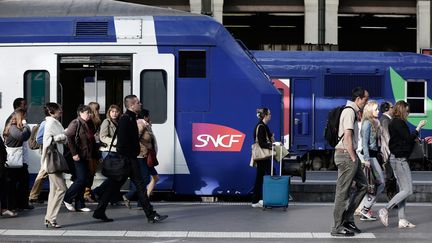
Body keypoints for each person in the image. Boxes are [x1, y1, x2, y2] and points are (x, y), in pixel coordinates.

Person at [93, 95, 167, 223]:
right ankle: (151, 215)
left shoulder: (132, 118)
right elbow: (121, 144)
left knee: (117, 186)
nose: (140, 104)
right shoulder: (126, 119)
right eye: (138, 103)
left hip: (129, 159)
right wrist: (131, 156)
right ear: (132, 105)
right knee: (138, 186)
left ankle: (100, 211)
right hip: (128, 160)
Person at [378, 100, 426, 228]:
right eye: (407, 111)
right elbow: (408, 139)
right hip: (400, 159)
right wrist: (418, 128)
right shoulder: (399, 123)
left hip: (396, 158)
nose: (408, 113)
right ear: (402, 110)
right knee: (408, 190)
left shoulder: (394, 122)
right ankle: (385, 209)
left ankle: (402, 219)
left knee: (403, 190)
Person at [331, 87, 369, 237]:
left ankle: (347, 218)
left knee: (364, 185)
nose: (366, 103)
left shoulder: (353, 112)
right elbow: (347, 137)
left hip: (349, 155)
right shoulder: (349, 111)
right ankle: (337, 227)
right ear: (358, 99)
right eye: (365, 99)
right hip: (346, 155)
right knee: (342, 192)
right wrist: (354, 158)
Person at [40, 103, 68, 228]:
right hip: (53, 161)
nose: (61, 111)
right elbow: (46, 141)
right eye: (58, 109)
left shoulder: (54, 122)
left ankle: (48, 218)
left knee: (53, 191)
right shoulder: (51, 123)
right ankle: (51, 218)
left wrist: (63, 137)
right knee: (61, 189)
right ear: (52, 112)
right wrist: (63, 136)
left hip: (55, 160)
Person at [63, 105, 94, 212]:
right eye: (87, 112)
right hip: (77, 156)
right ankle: (67, 198)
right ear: (80, 113)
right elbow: (69, 137)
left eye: (90, 112)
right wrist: (74, 153)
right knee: (80, 179)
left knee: (83, 179)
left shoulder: (88, 124)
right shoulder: (76, 123)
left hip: (85, 156)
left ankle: (80, 204)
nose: (89, 114)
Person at [358, 100, 385, 221]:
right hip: (370, 157)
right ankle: (365, 208)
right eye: (376, 109)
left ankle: (365, 209)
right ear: (369, 111)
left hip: (375, 156)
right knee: (380, 183)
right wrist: (366, 160)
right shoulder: (367, 124)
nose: (378, 111)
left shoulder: (375, 122)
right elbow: (364, 143)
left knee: (374, 185)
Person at [123, 109, 156, 208]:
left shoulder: (145, 124)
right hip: (141, 155)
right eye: (148, 116)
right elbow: (136, 138)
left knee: (149, 178)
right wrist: (147, 145)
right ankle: (129, 196)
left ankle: (140, 203)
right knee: (144, 180)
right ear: (145, 116)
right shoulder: (140, 124)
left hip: (145, 155)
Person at [2, 108, 32, 216]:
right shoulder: (13, 128)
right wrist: (26, 125)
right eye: (24, 117)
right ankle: (11, 206)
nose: (26, 118)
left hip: (16, 162)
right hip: (13, 162)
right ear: (20, 117)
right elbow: (23, 136)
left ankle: (18, 204)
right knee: (13, 184)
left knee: (22, 181)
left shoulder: (14, 127)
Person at [92, 104, 121, 201]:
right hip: (108, 151)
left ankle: (110, 196)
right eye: (112, 111)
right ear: (109, 112)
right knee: (114, 176)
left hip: (116, 151)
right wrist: (117, 141)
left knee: (116, 176)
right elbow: (102, 137)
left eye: (116, 111)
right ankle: (99, 192)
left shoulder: (118, 122)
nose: (114, 113)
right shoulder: (106, 121)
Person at [251, 108, 274, 208]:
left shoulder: (262, 126)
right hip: (262, 156)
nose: (270, 115)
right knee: (272, 174)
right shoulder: (261, 127)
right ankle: (270, 199)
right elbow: (261, 143)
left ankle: (255, 201)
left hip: (261, 156)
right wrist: (271, 146)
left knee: (259, 177)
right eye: (269, 114)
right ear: (265, 115)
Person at [379, 101, 398, 200]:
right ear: (387, 109)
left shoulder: (386, 119)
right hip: (388, 152)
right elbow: (387, 137)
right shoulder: (385, 120)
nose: (393, 108)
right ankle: (392, 198)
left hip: (388, 152)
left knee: (391, 176)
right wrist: (393, 151)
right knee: (390, 176)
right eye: (392, 107)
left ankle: (392, 197)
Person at [84, 102, 102, 202]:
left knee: (90, 172)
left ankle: (87, 192)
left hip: (92, 149)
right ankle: (86, 193)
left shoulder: (91, 121)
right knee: (90, 172)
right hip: (92, 150)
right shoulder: (92, 121)